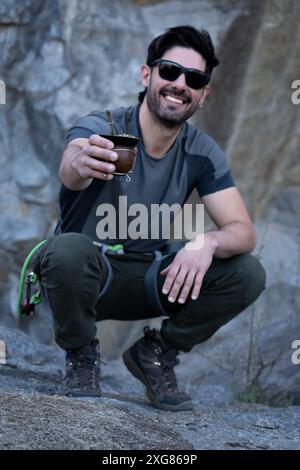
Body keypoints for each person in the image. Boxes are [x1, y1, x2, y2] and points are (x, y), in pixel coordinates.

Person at [34, 25, 266, 411]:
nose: (179, 84)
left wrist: (206, 242)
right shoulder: (103, 127)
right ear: (148, 75)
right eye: (170, 71)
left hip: (151, 279)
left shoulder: (202, 152)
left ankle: (155, 353)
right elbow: (70, 165)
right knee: (64, 250)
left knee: (247, 272)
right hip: (89, 275)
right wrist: (82, 160)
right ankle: (81, 358)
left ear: (203, 94)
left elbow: (243, 232)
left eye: (194, 79)